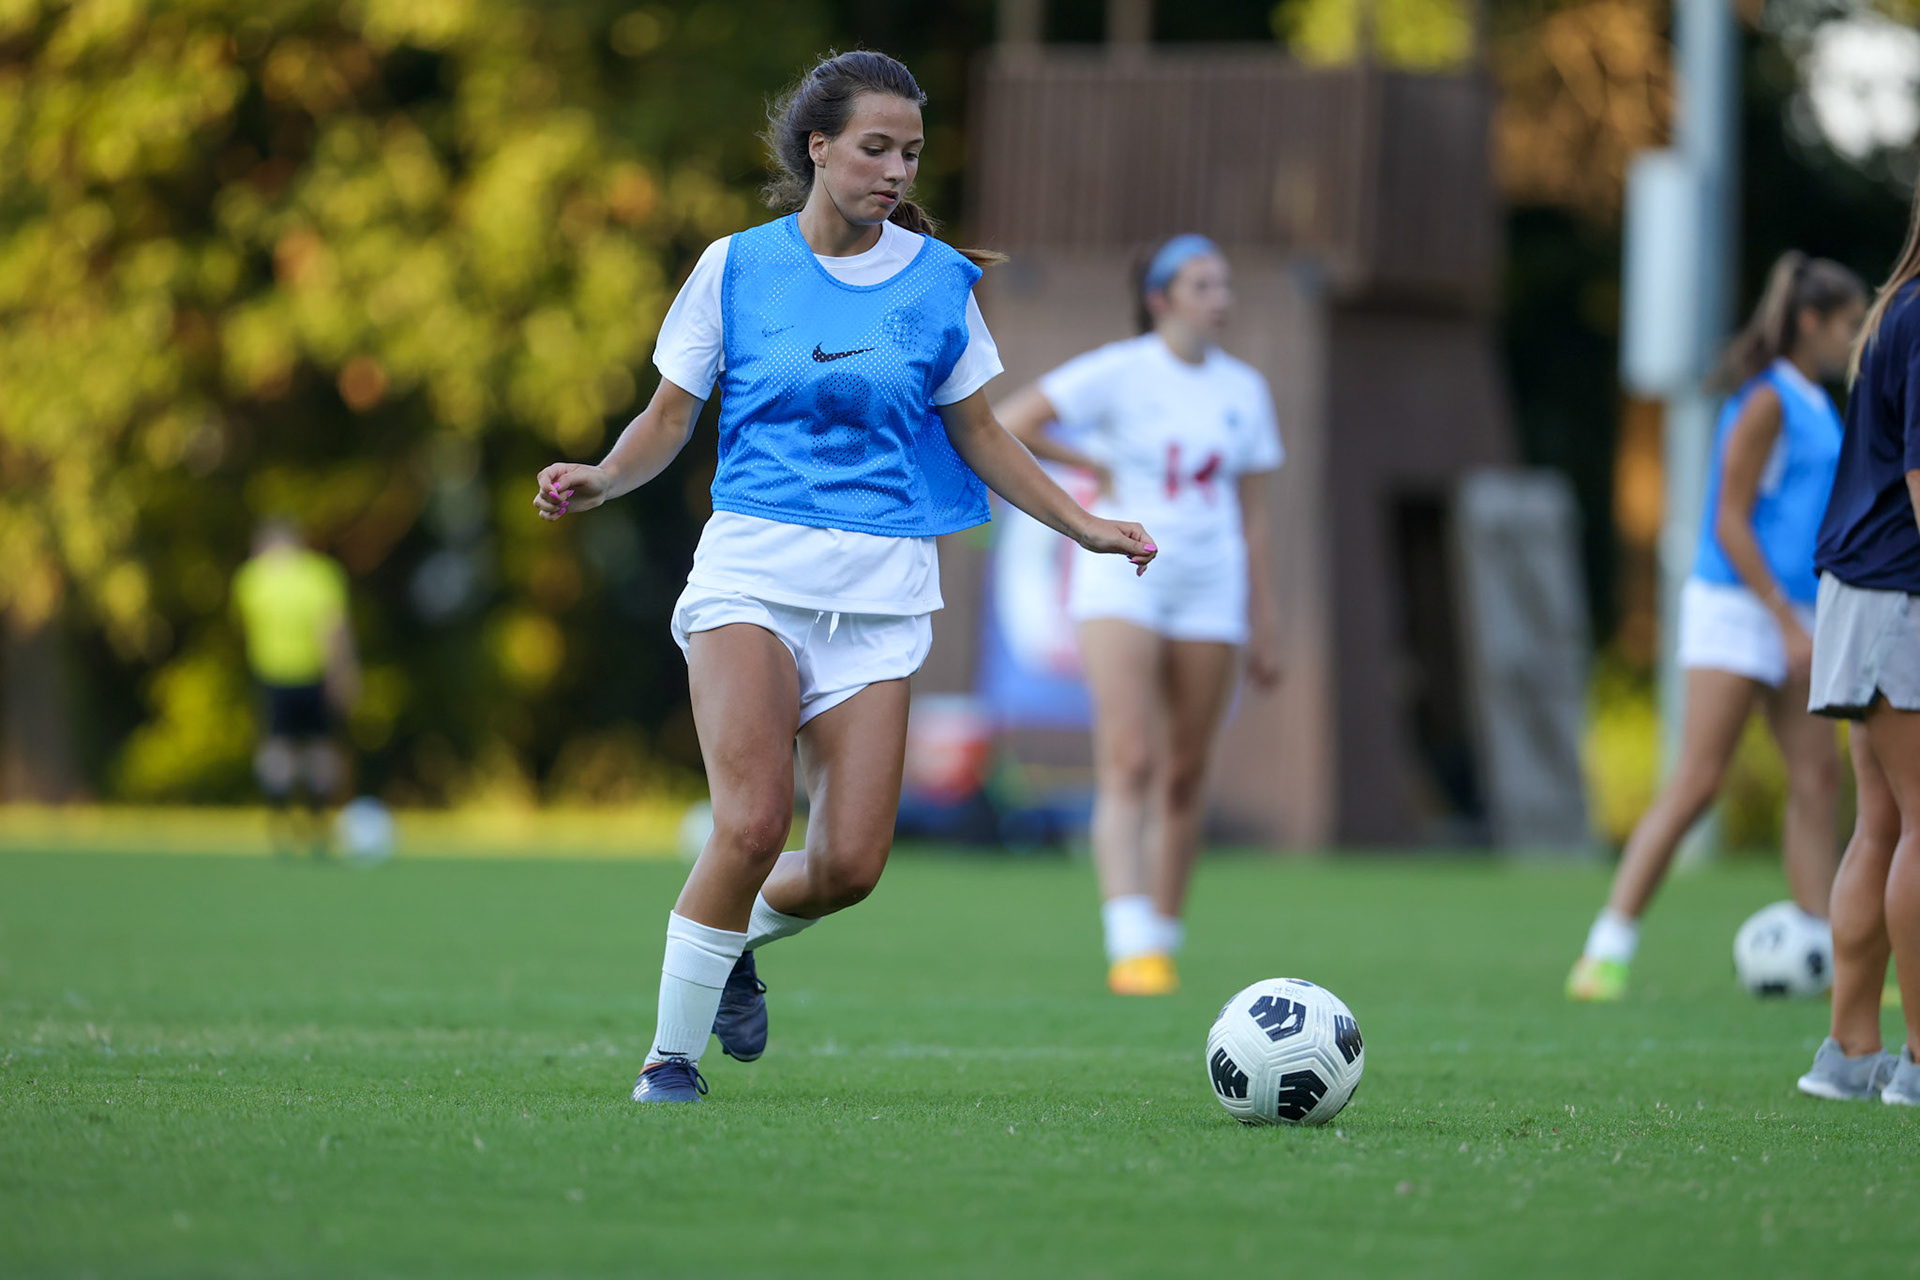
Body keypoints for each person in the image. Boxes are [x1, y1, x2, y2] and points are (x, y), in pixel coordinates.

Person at [531, 51, 1156, 1104]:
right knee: (749, 823)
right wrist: (598, 477)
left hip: (882, 597)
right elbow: (668, 419)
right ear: (816, 147)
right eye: (875, 148)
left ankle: (725, 937)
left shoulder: (940, 286)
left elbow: (985, 435)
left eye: (910, 152)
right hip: (752, 577)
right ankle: (668, 1059)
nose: (895, 171)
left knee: (852, 865)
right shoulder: (734, 267)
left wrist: (1083, 522)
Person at [1567, 253, 1866, 1002]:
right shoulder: (1767, 399)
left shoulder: (1818, 402)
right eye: (1849, 324)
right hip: (1739, 607)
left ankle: (1831, 953)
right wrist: (1781, 620)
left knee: (1819, 779)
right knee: (1699, 781)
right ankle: (1606, 949)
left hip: (1795, 609)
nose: (1856, 339)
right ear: (1810, 322)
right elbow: (1729, 521)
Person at [997, 237, 1285, 996]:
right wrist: (1092, 468)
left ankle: (1162, 934)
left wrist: (1267, 618)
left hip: (1211, 588)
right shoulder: (1119, 370)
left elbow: (1251, 515)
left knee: (1186, 771)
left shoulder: (1244, 389)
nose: (1219, 297)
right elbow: (1011, 419)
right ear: (1161, 297)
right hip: (1124, 580)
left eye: (1224, 283)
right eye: (1202, 284)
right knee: (1129, 758)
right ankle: (1129, 944)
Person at [1794, 189, 1920, 1103]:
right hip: (1898, 595)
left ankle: (1849, 1055)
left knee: (1884, 822)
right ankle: (1916, 1064)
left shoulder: (1899, 309)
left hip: (1859, 592)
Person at [231, 519, 359, 855]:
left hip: (271, 676)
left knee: (278, 747)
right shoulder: (319, 573)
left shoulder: (250, 579)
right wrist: (343, 673)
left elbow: (245, 629)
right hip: (314, 675)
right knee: (319, 747)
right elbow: (334, 630)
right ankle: (316, 821)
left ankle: (281, 820)